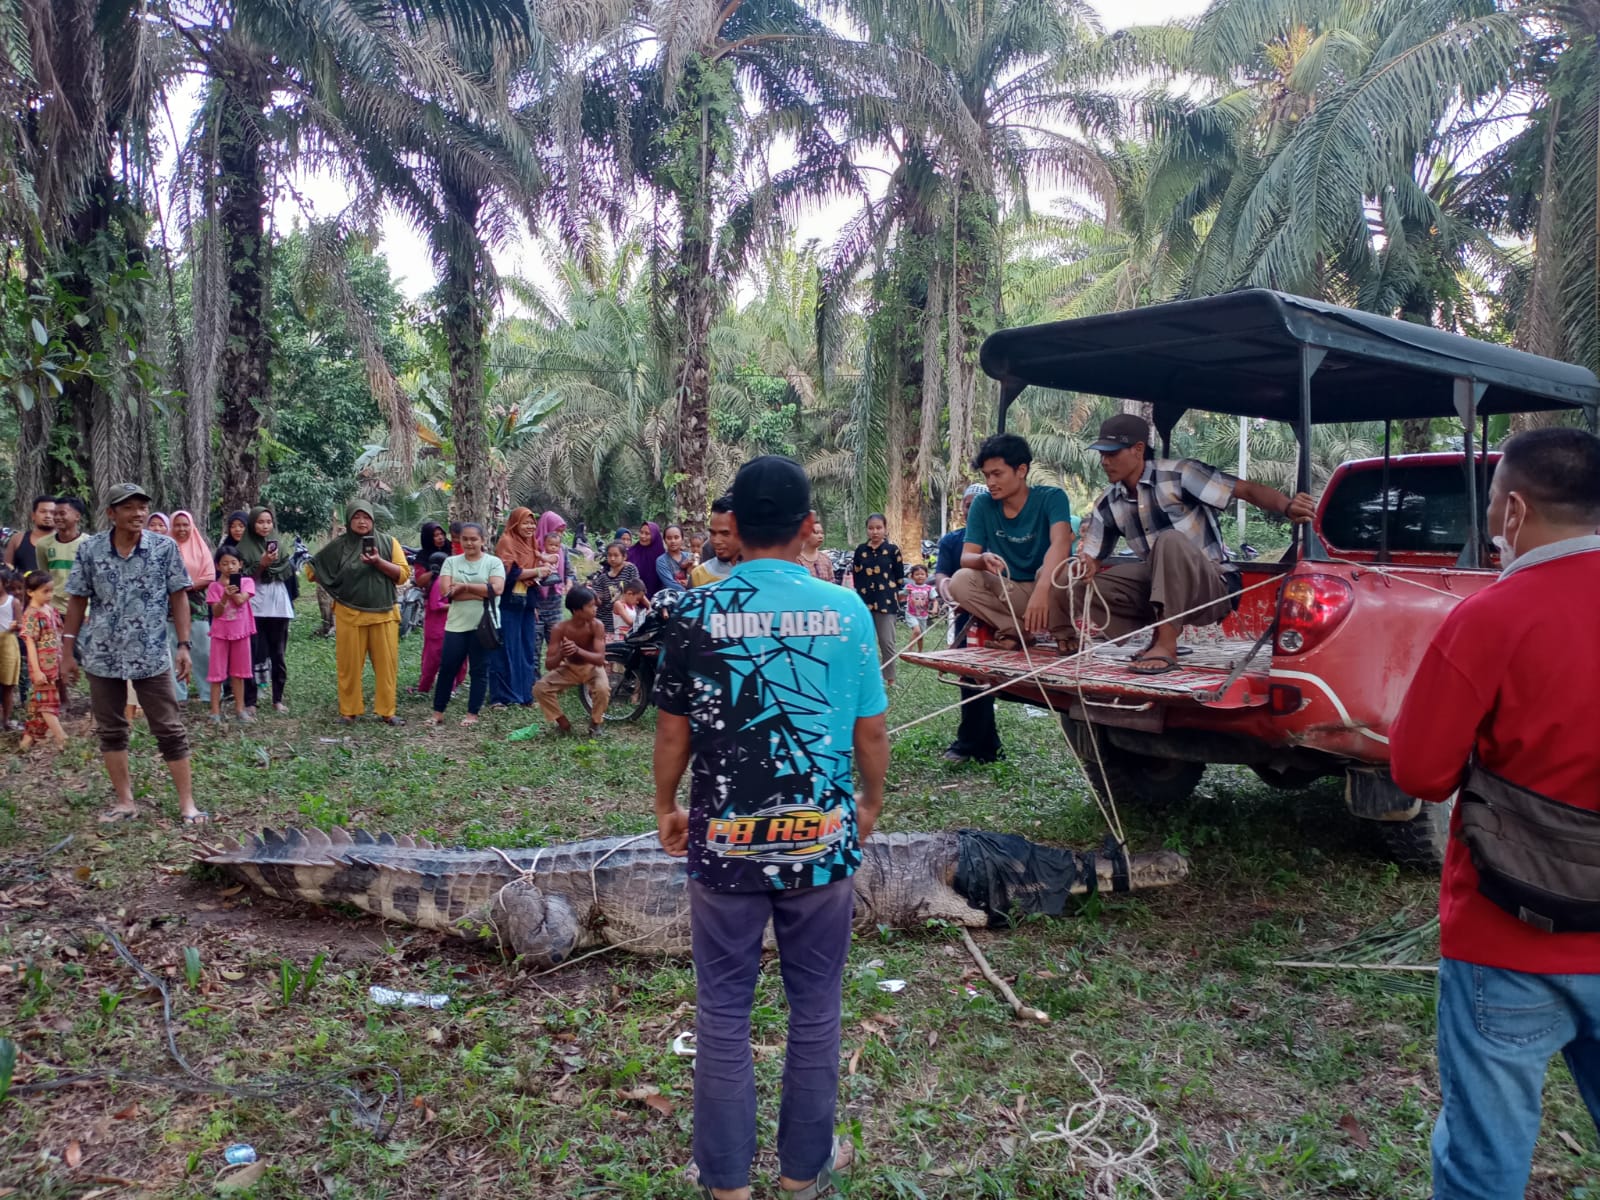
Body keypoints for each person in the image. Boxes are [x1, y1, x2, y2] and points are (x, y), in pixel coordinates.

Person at [652, 455, 890, 1200]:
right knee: (815, 1008)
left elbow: (672, 732)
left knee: (722, 1010)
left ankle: (726, 1185)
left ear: (736, 526)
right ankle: (800, 1175)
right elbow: (871, 731)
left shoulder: (692, 609)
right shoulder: (846, 611)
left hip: (723, 841)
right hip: (821, 840)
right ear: (803, 524)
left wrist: (667, 805)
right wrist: (870, 803)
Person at [1388, 428, 1600, 1200]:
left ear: (1513, 510)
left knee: (1486, 1160)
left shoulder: (1490, 618)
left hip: (1508, 935)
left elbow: (1417, 770)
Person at [1072, 415, 1314, 672]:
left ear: (1138, 449)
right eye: (1102, 454)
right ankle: (1119, 636)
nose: (1105, 461)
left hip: (1212, 587)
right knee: (1078, 582)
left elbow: (1246, 490)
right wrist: (1086, 565)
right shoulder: (1107, 503)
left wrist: (1288, 507)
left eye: (1113, 453)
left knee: (1169, 541)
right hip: (1160, 586)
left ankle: (1166, 645)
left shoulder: (1179, 475)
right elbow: (1093, 557)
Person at [63, 483, 204, 824]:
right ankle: (125, 802)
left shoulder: (164, 547)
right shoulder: (91, 550)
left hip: (152, 651)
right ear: (111, 513)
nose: (138, 513)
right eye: (129, 507)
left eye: (143, 506)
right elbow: (78, 599)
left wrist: (183, 646)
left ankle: (188, 805)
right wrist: (67, 649)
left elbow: (179, 596)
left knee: (169, 728)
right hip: (102, 653)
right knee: (111, 729)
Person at [947, 434, 1077, 657]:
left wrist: (1042, 590)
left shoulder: (1052, 497)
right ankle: (1015, 631)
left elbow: (1061, 544)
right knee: (960, 580)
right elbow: (966, 557)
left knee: (1060, 571)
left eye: (997, 474)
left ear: (1021, 471)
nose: (990, 483)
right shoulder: (982, 504)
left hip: (1052, 592)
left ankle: (1064, 633)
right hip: (1012, 592)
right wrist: (982, 559)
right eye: (987, 475)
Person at [306, 503, 410, 726]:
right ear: (349, 521)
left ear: (373, 520)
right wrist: (331, 578)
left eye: (366, 517)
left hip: (384, 613)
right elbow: (311, 571)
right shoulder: (339, 546)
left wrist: (378, 562)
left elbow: (402, 575)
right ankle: (349, 712)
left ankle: (387, 712)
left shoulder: (388, 542)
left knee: (386, 667)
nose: (362, 522)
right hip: (349, 614)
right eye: (356, 517)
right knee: (349, 667)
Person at [936, 483, 1001, 765]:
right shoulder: (951, 541)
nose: (972, 509)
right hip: (964, 618)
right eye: (967, 504)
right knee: (970, 678)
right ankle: (983, 744)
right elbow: (942, 576)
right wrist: (947, 588)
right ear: (961, 509)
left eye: (979, 504)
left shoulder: (1001, 540)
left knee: (986, 679)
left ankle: (972, 743)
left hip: (998, 619)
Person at [430, 522, 505, 726]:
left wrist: (463, 586)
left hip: (483, 625)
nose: (469, 543)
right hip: (456, 625)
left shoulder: (493, 563)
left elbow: (497, 589)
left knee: (479, 670)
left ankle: (472, 714)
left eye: (474, 539)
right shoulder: (451, 562)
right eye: (465, 539)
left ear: (482, 540)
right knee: (447, 668)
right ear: (459, 540)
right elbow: (447, 593)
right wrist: (481, 590)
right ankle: (438, 712)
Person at [238, 507, 296, 712]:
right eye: (260, 522)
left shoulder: (279, 544)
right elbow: (242, 578)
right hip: (254, 605)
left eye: (268, 522)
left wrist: (274, 564)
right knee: (253, 653)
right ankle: (251, 701)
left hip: (277, 605)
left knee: (278, 653)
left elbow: (287, 571)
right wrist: (261, 565)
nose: (265, 526)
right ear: (252, 524)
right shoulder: (243, 548)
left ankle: (277, 699)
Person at [532, 586, 608, 736]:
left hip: (592, 668)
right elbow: (549, 664)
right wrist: (562, 653)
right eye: (590, 606)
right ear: (577, 610)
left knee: (602, 689)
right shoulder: (560, 629)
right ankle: (563, 723)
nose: (595, 609)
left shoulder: (597, 625)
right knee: (540, 688)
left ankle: (595, 723)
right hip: (570, 668)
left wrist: (577, 650)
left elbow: (600, 659)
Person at [492, 507, 543, 707]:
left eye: (532, 522)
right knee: (506, 648)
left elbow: (530, 576)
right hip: (508, 602)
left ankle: (524, 695)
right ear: (515, 523)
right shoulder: (506, 541)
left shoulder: (531, 543)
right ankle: (502, 697)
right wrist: (537, 571)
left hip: (526, 603)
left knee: (526, 648)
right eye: (525, 522)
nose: (530, 526)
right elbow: (507, 573)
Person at [852, 514, 906, 684]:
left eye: (878, 528)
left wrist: (897, 594)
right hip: (864, 602)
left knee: (886, 642)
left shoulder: (892, 550)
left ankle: (889, 678)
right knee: (865, 642)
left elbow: (899, 577)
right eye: (871, 528)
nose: (875, 532)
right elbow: (857, 575)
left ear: (885, 529)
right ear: (867, 530)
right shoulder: (860, 551)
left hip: (886, 601)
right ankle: (868, 678)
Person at [168, 511, 215, 702]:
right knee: (173, 648)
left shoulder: (200, 547)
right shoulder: (167, 547)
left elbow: (210, 575)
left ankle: (207, 693)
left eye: (185, 525)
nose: (181, 529)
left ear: (192, 526)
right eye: (177, 525)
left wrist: (187, 586)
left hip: (197, 605)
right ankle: (178, 694)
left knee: (203, 649)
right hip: (171, 605)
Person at [18, 570, 67, 751]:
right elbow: (30, 643)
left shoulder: (50, 610)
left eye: (51, 591)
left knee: (38, 703)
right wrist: (37, 670)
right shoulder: (31, 614)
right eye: (45, 591)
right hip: (42, 665)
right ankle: (62, 737)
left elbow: (58, 637)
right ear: (30, 592)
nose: (49, 595)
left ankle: (27, 739)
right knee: (48, 703)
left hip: (54, 663)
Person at [206, 548, 256, 723]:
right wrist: (224, 597)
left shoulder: (247, 582)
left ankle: (240, 709)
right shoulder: (214, 587)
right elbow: (217, 613)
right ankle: (214, 712)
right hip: (220, 635)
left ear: (240, 564)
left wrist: (232, 591)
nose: (230, 567)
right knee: (216, 674)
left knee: (238, 673)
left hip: (241, 633)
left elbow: (242, 600)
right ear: (218, 566)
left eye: (234, 563)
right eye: (225, 563)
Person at [533, 512, 575, 657]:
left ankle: (554, 679)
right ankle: (534, 680)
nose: (559, 535)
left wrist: (569, 583)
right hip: (536, 607)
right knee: (534, 651)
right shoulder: (534, 549)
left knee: (557, 649)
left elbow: (569, 572)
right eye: (556, 530)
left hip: (555, 606)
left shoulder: (561, 549)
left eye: (561, 532)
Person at [39, 495, 88, 611]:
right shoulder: (43, 545)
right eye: (55, 514)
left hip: (83, 610)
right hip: (54, 609)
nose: (57, 517)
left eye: (62, 513)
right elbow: (44, 577)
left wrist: (88, 612)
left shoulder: (89, 544)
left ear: (77, 516)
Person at [590, 541, 643, 637]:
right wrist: (593, 594)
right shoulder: (602, 578)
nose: (612, 558)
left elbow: (638, 589)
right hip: (608, 622)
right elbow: (597, 600)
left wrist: (649, 608)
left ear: (624, 557)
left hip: (627, 618)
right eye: (609, 555)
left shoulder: (630, 569)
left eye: (616, 555)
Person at [690, 496, 741, 587]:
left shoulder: (761, 574)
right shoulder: (698, 576)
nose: (716, 541)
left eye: (725, 534)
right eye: (713, 533)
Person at [5, 496, 55, 572]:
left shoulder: (67, 542)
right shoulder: (18, 539)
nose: (48, 516)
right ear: (33, 516)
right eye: (43, 511)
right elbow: (6, 568)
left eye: (52, 512)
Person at [0, 567, 19, 730]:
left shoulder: (13, 602)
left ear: (5, 583)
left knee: (8, 685)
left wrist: (16, 625)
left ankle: (5, 720)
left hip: (8, 644)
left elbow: (21, 624)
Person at [627, 522, 664, 595]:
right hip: (632, 597)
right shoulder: (630, 553)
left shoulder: (661, 556)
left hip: (656, 598)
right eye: (641, 532)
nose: (643, 536)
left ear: (655, 536)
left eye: (647, 534)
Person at [904, 564, 934, 652]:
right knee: (917, 631)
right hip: (911, 613)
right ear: (912, 576)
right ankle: (909, 650)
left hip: (923, 615)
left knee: (920, 636)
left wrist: (935, 608)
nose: (920, 576)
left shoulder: (929, 588)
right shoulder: (909, 587)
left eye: (922, 574)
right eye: (917, 574)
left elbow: (934, 600)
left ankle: (920, 652)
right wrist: (904, 592)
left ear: (926, 576)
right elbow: (901, 595)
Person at [657, 524, 695, 591]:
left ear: (682, 539)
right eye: (669, 538)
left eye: (676, 537)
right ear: (664, 540)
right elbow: (670, 583)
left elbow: (698, 577)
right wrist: (688, 590)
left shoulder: (690, 557)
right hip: (672, 597)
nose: (673, 541)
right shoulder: (661, 561)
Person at [798, 517, 833, 582]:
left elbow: (832, 583)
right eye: (816, 533)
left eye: (822, 533)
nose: (820, 536)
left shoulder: (825, 559)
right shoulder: (796, 560)